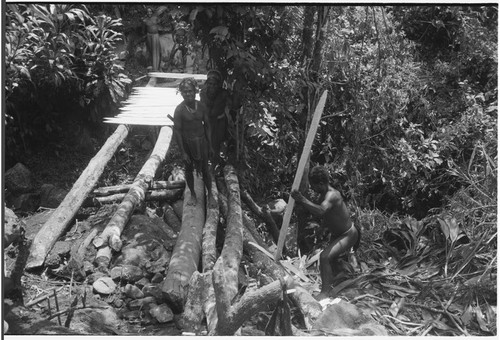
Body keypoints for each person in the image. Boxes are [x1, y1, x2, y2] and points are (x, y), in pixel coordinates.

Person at [291, 165, 360, 301]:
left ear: (321, 184)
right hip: (338, 234)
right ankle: (343, 275)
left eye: (313, 186)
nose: (312, 188)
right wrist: (322, 228)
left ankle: (325, 292)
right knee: (331, 260)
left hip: (348, 234)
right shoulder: (323, 195)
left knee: (324, 257)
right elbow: (325, 214)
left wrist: (302, 199)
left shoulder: (332, 195)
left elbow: (321, 211)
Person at [173, 78, 215, 206]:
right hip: (188, 143)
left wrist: (210, 145)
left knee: (206, 170)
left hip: (202, 142)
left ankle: (211, 195)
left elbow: (207, 125)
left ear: (195, 91)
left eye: (190, 91)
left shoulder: (201, 106)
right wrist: (183, 152)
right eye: (185, 92)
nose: (188, 94)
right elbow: (177, 132)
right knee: (188, 169)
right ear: (181, 93)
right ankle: (192, 194)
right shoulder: (179, 110)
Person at [200, 70, 230, 168]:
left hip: (220, 122)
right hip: (208, 121)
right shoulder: (203, 93)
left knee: (217, 142)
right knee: (207, 142)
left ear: (219, 85)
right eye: (210, 84)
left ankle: (216, 164)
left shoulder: (223, 94)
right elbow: (206, 111)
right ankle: (207, 164)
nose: (212, 87)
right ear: (207, 84)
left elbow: (234, 105)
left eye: (215, 84)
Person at [143, 6, 168, 71]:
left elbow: (163, 21)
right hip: (149, 35)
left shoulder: (156, 18)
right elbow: (143, 30)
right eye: (148, 12)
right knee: (150, 51)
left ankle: (156, 67)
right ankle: (151, 66)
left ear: (152, 12)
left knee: (156, 51)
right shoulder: (145, 20)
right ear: (146, 12)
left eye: (150, 11)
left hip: (155, 35)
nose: (149, 13)